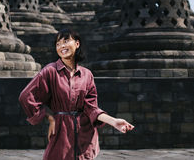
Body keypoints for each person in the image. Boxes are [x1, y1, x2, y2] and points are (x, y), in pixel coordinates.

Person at [19, 29, 134, 160]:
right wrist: (50, 117)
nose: (62, 46)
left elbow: (91, 109)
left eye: (66, 41)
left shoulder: (87, 75)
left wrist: (114, 122)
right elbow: (26, 96)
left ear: (77, 44)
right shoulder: (50, 71)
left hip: (84, 133)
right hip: (61, 132)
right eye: (58, 44)